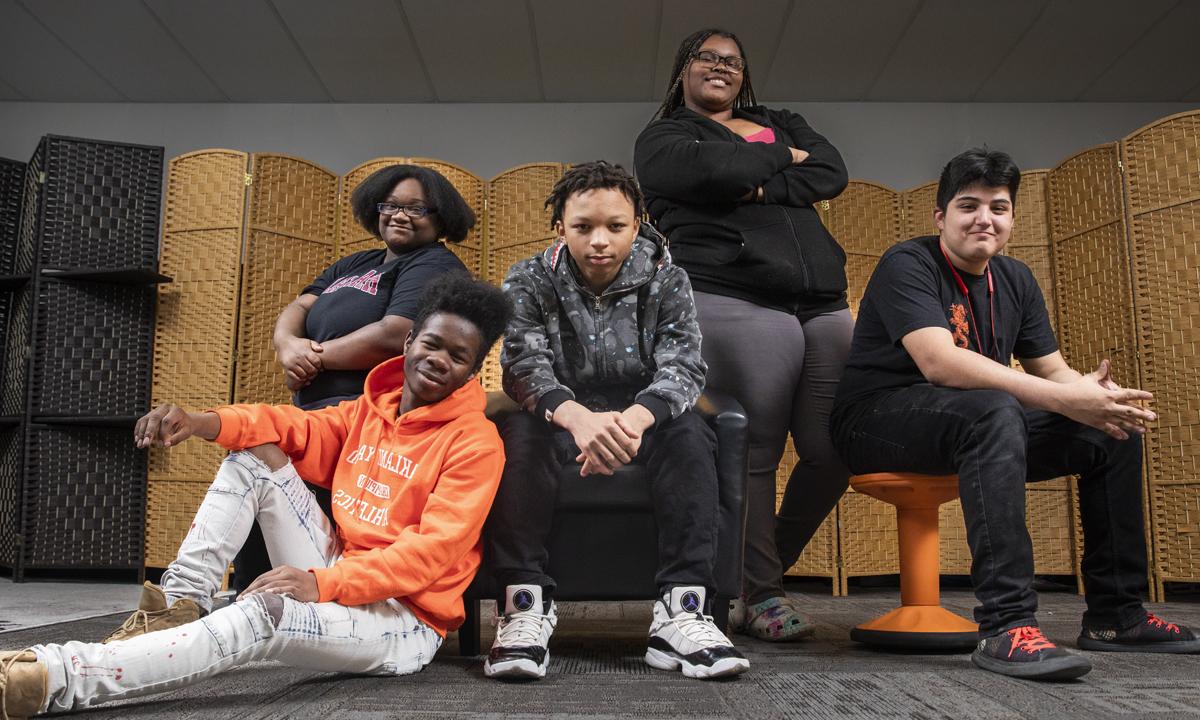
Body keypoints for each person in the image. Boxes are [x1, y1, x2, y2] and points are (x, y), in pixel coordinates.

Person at [0, 276, 513, 717]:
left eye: (458, 356)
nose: (439, 359)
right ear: (408, 344)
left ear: (472, 371)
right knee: (254, 456)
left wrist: (320, 583)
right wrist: (202, 421)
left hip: (403, 619)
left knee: (260, 614)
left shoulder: (475, 443)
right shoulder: (367, 411)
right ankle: (178, 603)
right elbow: (291, 427)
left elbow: (429, 556)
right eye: (432, 343)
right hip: (340, 566)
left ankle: (51, 678)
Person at [829, 148, 1200, 680]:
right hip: (875, 423)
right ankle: (1007, 626)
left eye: (998, 207)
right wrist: (1063, 398)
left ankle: (1116, 615)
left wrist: (1096, 399)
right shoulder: (906, 262)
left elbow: (1052, 371)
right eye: (968, 205)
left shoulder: (1016, 279)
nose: (984, 218)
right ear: (941, 217)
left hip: (973, 421)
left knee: (1109, 432)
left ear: (1011, 219)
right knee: (994, 409)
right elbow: (939, 363)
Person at [483, 161, 748, 680]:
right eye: (583, 227)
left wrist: (632, 420)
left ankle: (682, 609)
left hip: (644, 416)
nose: (599, 240)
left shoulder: (668, 278)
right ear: (560, 227)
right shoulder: (528, 278)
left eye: (615, 226)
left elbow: (684, 364)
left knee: (692, 435)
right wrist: (579, 418)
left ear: (638, 223)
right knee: (518, 438)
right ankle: (523, 606)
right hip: (559, 416)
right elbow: (523, 366)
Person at [634, 28, 851, 641]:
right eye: (706, 57)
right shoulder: (666, 136)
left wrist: (750, 176)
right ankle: (762, 594)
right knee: (755, 452)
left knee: (837, 448)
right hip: (732, 294)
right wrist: (783, 159)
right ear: (683, 71)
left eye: (732, 60)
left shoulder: (778, 119)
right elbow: (707, 168)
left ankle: (761, 565)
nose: (720, 66)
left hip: (823, 302)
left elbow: (832, 171)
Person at [235, 164, 474, 592]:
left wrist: (315, 359)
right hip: (316, 410)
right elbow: (300, 307)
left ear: (441, 218)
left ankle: (272, 596)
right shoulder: (357, 262)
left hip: (368, 418)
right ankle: (247, 595)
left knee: (260, 456)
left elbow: (397, 333)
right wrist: (287, 343)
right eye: (391, 205)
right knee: (255, 461)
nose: (400, 216)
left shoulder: (434, 264)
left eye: (416, 208)